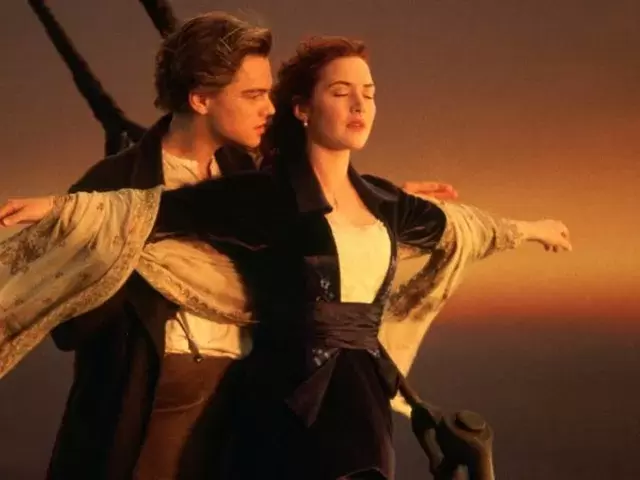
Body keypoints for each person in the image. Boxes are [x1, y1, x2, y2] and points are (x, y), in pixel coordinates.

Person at [0, 35, 571, 479]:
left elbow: (462, 226)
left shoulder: (385, 202)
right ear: (301, 108)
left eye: (370, 92)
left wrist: (531, 229)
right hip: (286, 401)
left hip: (362, 398)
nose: (360, 104)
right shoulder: (264, 195)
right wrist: (57, 207)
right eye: (341, 91)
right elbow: (149, 211)